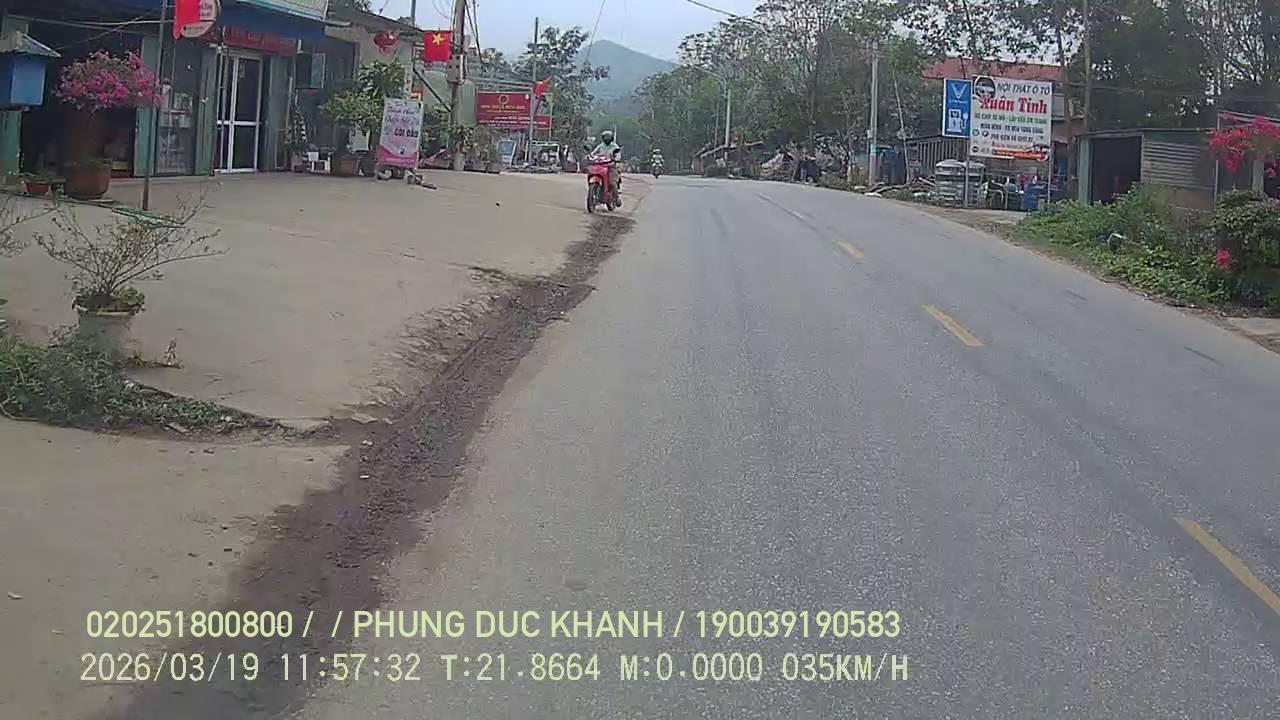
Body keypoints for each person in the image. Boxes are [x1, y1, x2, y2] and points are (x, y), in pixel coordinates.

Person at [590, 130, 623, 203]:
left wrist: (616, 159)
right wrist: (591, 156)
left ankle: (617, 198)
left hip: (611, 167)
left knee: (612, 183)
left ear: (611, 138)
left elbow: (618, 155)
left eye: (608, 137)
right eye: (605, 137)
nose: (606, 139)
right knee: (592, 173)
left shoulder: (614, 146)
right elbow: (593, 153)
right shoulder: (600, 146)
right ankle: (595, 193)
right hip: (601, 165)